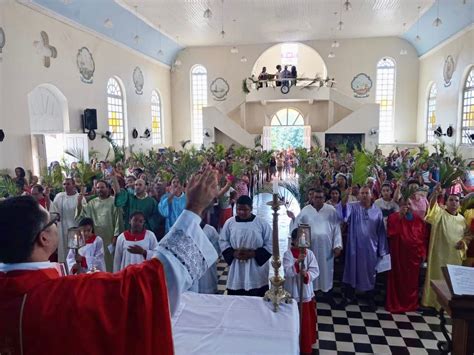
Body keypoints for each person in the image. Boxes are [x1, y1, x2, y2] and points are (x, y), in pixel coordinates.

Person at [0, 169, 219, 355]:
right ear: (43, 238)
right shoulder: (65, 295)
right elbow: (147, 284)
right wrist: (194, 210)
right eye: (53, 220)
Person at [337, 186, 389, 311]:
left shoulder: (377, 211)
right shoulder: (353, 207)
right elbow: (343, 214)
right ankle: (349, 297)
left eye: (367, 193)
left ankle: (369, 298)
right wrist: (345, 198)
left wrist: (382, 250)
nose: (364, 195)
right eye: (362, 193)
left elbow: (381, 231)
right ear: (359, 195)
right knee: (351, 271)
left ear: (371, 195)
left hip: (371, 249)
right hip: (354, 248)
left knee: (370, 273)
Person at [288, 188, 342, 306]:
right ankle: (312, 294)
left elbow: (337, 228)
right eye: (316, 197)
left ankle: (328, 294)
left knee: (326, 271)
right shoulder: (306, 210)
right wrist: (293, 221)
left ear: (324, 198)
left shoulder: (331, 210)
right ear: (312, 198)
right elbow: (296, 226)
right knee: (311, 268)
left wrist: (337, 245)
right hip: (310, 248)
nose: (318, 200)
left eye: (321, 197)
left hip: (326, 248)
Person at [421, 185, 471, 310]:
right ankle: (432, 303)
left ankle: (451, 305)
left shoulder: (462, 219)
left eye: (456, 200)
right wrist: (435, 195)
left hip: (455, 256)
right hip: (439, 255)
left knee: (452, 280)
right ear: (446, 202)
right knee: (437, 277)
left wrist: (464, 242)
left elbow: (468, 235)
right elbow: (432, 208)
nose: (454, 202)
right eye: (451, 200)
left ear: (459, 204)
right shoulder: (440, 213)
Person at [220, 195, 272, 296]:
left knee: (256, 299)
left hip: (256, 268)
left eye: (245, 209)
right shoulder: (230, 223)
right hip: (237, 266)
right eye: (239, 209)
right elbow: (223, 240)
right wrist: (233, 253)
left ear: (251, 209)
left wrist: (254, 253)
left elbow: (270, 243)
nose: (242, 212)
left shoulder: (261, 223)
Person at [385, 199, 426, 313]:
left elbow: (422, 237)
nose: (406, 206)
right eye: (404, 204)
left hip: (413, 257)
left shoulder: (418, 219)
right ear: (399, 205)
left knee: (411, 282)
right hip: (398, 255)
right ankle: (395, 303)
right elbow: (391, 232)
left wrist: (422, 252)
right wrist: (400, 217)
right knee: (397, 280)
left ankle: (411, 304)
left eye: (408, 204)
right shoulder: (393, 217)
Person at [283, 229, 319, 355]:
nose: (301, 242)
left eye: (303, 239)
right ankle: (292, 342)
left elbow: (315, 270)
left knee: (305, 318)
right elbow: (287, 272)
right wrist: (297, 262)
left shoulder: (309, 254)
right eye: (298, 239)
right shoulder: (288, 254)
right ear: (293, 240)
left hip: (304, 291)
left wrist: (307, 274)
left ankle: (304, 344)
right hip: (292, 289)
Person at [76, 180, 121, 271]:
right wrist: (79, 203)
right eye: (98, 187)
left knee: (110, 260)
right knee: (97, 260)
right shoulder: (92, 203)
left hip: (109, 236)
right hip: (95, 236)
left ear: (108, 189)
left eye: (102, 187)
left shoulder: (113, 202)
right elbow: (82, 217)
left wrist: (116, 235)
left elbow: (118, 219)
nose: (100, 189)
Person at [50, 178, 84, 263]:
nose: (66, 186)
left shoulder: (79, 197)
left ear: (73, 185)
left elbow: (83, 214)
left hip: (75, 228)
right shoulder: (59, 196)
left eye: (68, 184)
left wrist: (79, 203)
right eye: (64, 184)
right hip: (62, 228)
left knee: (75, 253)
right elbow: (53, 211)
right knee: (63, 252)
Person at [189, 210, 221, 294]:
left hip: (208, 267)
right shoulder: (187, 230)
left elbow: (217, 250)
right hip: (192, 266)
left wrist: (205, 256)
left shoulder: (210, 230)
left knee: (208, 290)